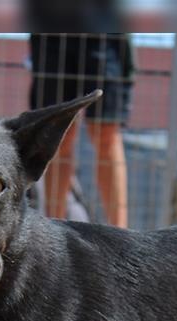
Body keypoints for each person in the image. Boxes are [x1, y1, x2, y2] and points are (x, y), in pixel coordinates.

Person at [29, 34, 134, 227]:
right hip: (54, 29)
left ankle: (122, 235)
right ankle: (54, 232)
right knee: (58, 134)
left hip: (105, 30)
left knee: (106, 133)